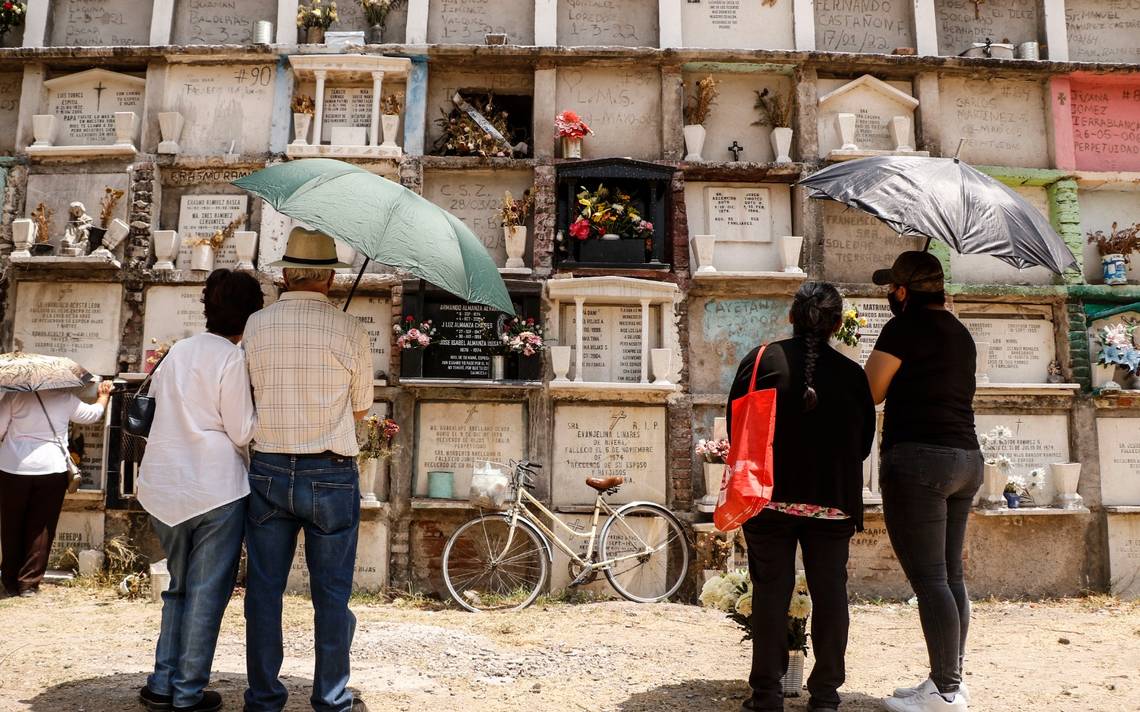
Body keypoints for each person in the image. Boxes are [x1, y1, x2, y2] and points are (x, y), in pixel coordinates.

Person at [729, 281, 876, 712]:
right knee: (830, 595)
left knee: (770, 593)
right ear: (836, 323)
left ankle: (767, 694)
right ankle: (826, 695)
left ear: (792, 316)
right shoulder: (852, 376)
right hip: (832, 502)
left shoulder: (761, 361)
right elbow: (863, 445)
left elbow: (738, 427)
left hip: (769, 498)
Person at [241, 227, 371, 712]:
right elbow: (361, 409)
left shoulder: (256, 325)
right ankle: (331, 697)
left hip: (269, 467)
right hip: (330, 473)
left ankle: (264, 697)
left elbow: (247, 394)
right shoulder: (350, 329)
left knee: (264, 590)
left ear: (285, 274)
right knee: (331, 593)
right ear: (330, 279)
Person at [135, 269, 264, 712]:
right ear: (251, 314)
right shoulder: (232, 358)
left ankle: (162, 683)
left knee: (178, 587)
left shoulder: (178, 351)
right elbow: (241, 430)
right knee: (206, 593)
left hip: (164, 485)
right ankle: (188, 693)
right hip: (215, 489)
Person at [864, 251, 980, 712]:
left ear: (902, 291)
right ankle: (948, 680)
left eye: (891, 288)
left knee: (930, 579)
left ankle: (945, 692)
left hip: (919, 462)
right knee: (950, 575)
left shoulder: (902, 328)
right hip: (967, 459)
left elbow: (871, 391)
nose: (890, 296)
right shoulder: (960, 332)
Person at [0, 379, 113, 597]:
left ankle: (10, 581)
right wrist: (103, 396)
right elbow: (92, 415)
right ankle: (28, 584)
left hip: (13, 467)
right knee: (42, 527)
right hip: (51, 468)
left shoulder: (13, 397)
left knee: (11, 524)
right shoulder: (64, 399)